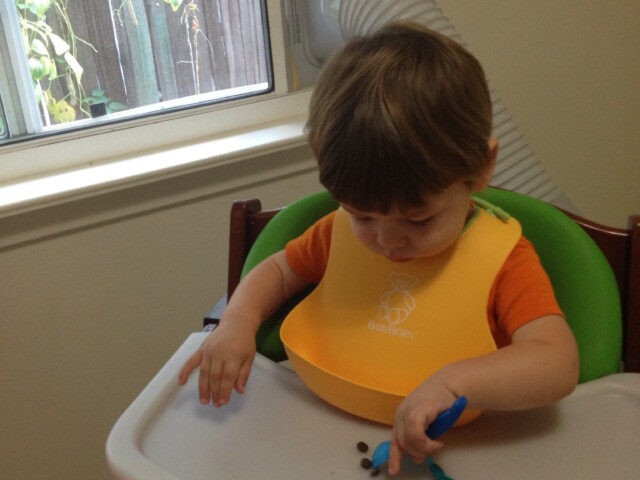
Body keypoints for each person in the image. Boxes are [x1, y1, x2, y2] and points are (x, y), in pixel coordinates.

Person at [179, 21, 579, 476]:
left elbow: (557, 362)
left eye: (418, 218)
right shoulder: (336, 232)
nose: (387, 240)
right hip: (311, 433)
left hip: (464, 448)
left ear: (482, 168)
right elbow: (277, 271)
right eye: (362, 214)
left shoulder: (504, 259)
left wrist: (455, 384)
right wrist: (236, 323)